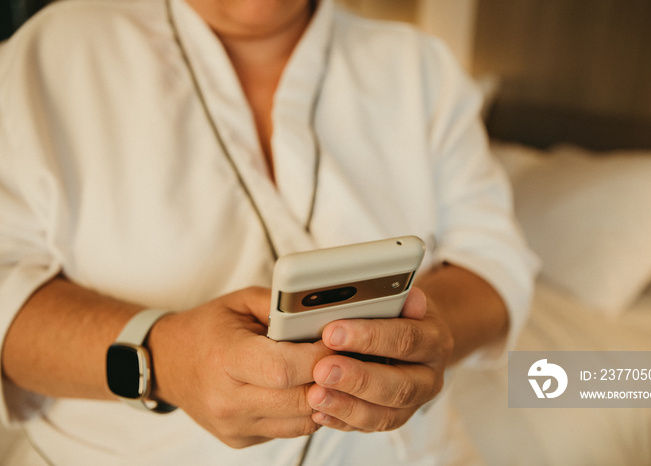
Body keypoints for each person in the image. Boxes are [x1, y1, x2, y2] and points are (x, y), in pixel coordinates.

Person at [0, 0, 538, 464]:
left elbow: (493, 258)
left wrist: (428, 337)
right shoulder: (53, 52)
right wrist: (162, 358)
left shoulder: (420, 67)